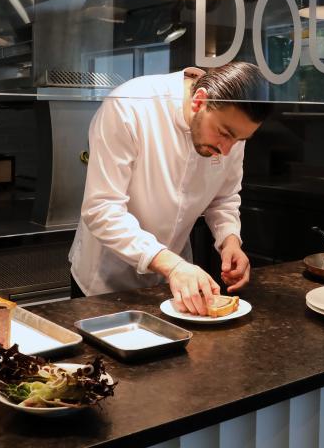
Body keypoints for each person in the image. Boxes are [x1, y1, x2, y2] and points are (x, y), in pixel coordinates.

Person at [68, 62, 270, 315]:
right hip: (103, 283)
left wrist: (229, 240)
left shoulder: (229, 124)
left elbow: (224, 198)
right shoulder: (129, 106)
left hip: (173, 282)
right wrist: (173, 266)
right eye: (224, 134)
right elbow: (102, 209)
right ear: (199, 101)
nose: (227, 150)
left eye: (239, 140)